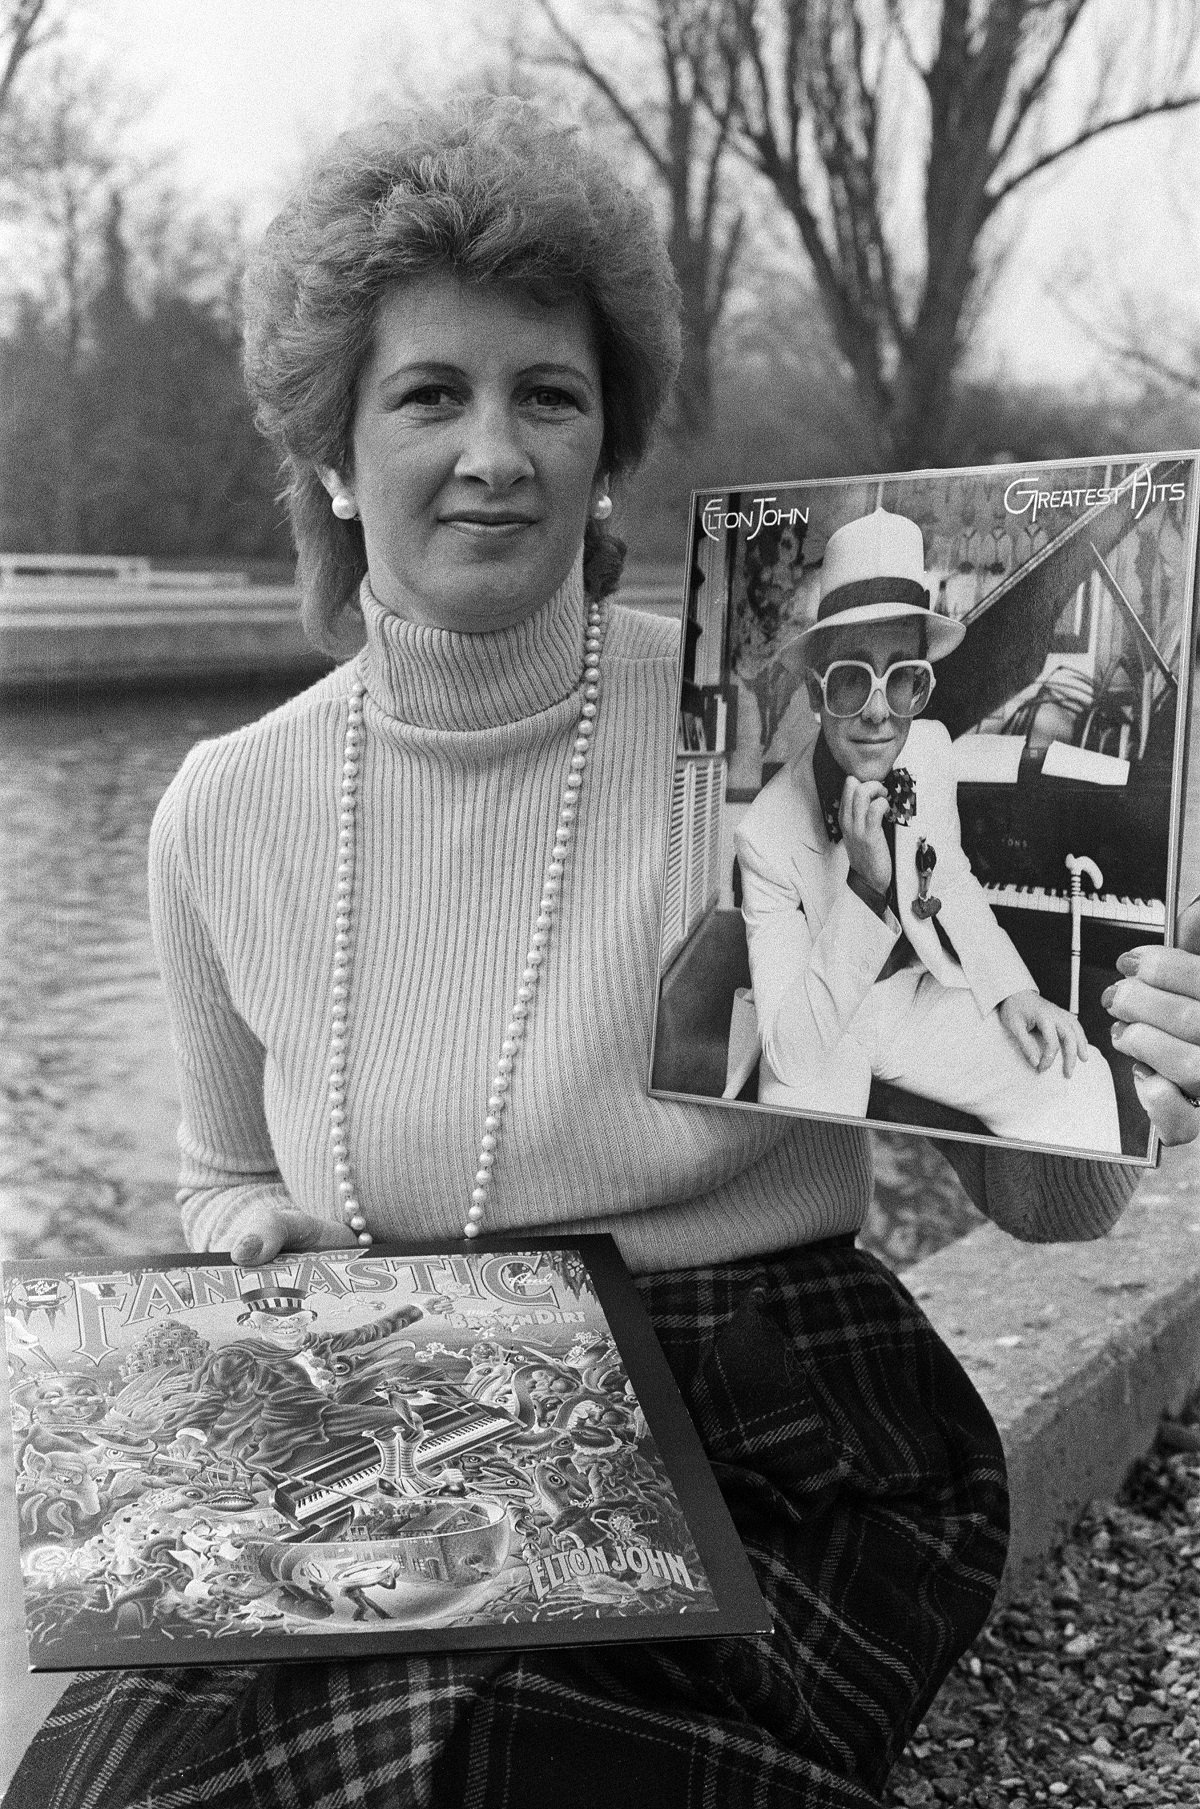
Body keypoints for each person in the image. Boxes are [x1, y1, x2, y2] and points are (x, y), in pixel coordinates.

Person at [10, 96, 1200, 1809]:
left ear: (602, 444)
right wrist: (256, 1237)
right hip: (404, 1420)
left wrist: (1115, 1060)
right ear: (335, 457)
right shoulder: (222, 809)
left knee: (466, 1740)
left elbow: (1043, 1206)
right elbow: (217, 1176)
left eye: (546, 395)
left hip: (786, 1415)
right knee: (105, 1775)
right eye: (431, 393)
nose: (494, 448)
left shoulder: (779, 730)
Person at [735, 506, 1123, 1154]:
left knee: (1075, 1073)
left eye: (904, 679)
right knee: (805, 1164)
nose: (881, 713)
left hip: (914, 994)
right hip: (822, 1017)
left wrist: (1011, 988)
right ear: (813, 691)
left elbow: (949, 874)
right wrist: (864, 884)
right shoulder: (766, 835)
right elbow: (794, 1051)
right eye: (853, 679)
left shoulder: (931, 748)